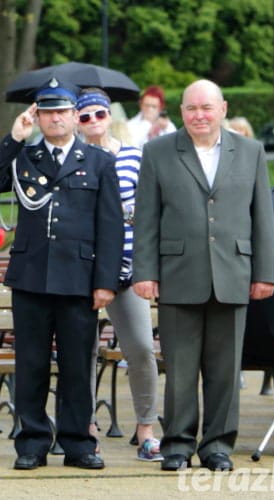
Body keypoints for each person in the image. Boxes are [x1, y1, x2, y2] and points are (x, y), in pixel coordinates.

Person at [0, 78, 123, 471]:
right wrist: (13, 139)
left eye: (62, 111)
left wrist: (106, 282)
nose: (55, 118)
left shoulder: (99, 161)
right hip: (32, 277)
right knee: (31, 363)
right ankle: (32, 441)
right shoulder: (24, 157)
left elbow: (110, 226)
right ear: (36, 116)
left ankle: (78, 443)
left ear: (76, 116)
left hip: (78, 277)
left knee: (77, 364)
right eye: (47, 111)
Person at [133, 79, 274, 472]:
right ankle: (178, 445)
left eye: (206, 107)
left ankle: (217, 446)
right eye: (191, 108)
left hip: (234, 271)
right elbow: (145, 218)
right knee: (179, 369)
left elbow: (262, 216)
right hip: (178, 273)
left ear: (223, 109)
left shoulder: (250, 152)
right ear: (181, 112)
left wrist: (265, 272)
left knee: (225, 370)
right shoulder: (158, 152)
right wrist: (144, 271)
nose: (199, 115)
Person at [76, 88, 161, 462]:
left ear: (110, 116)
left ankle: (146, 427)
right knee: (82, 351)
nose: (93, 122)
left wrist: (145, 265)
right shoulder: (73, 159)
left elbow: (148, 215)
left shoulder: (133, 158)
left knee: (142, 348)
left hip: (126, 269)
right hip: (82, 270)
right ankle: (86, 427)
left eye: (99, 114)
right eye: (85, 116)